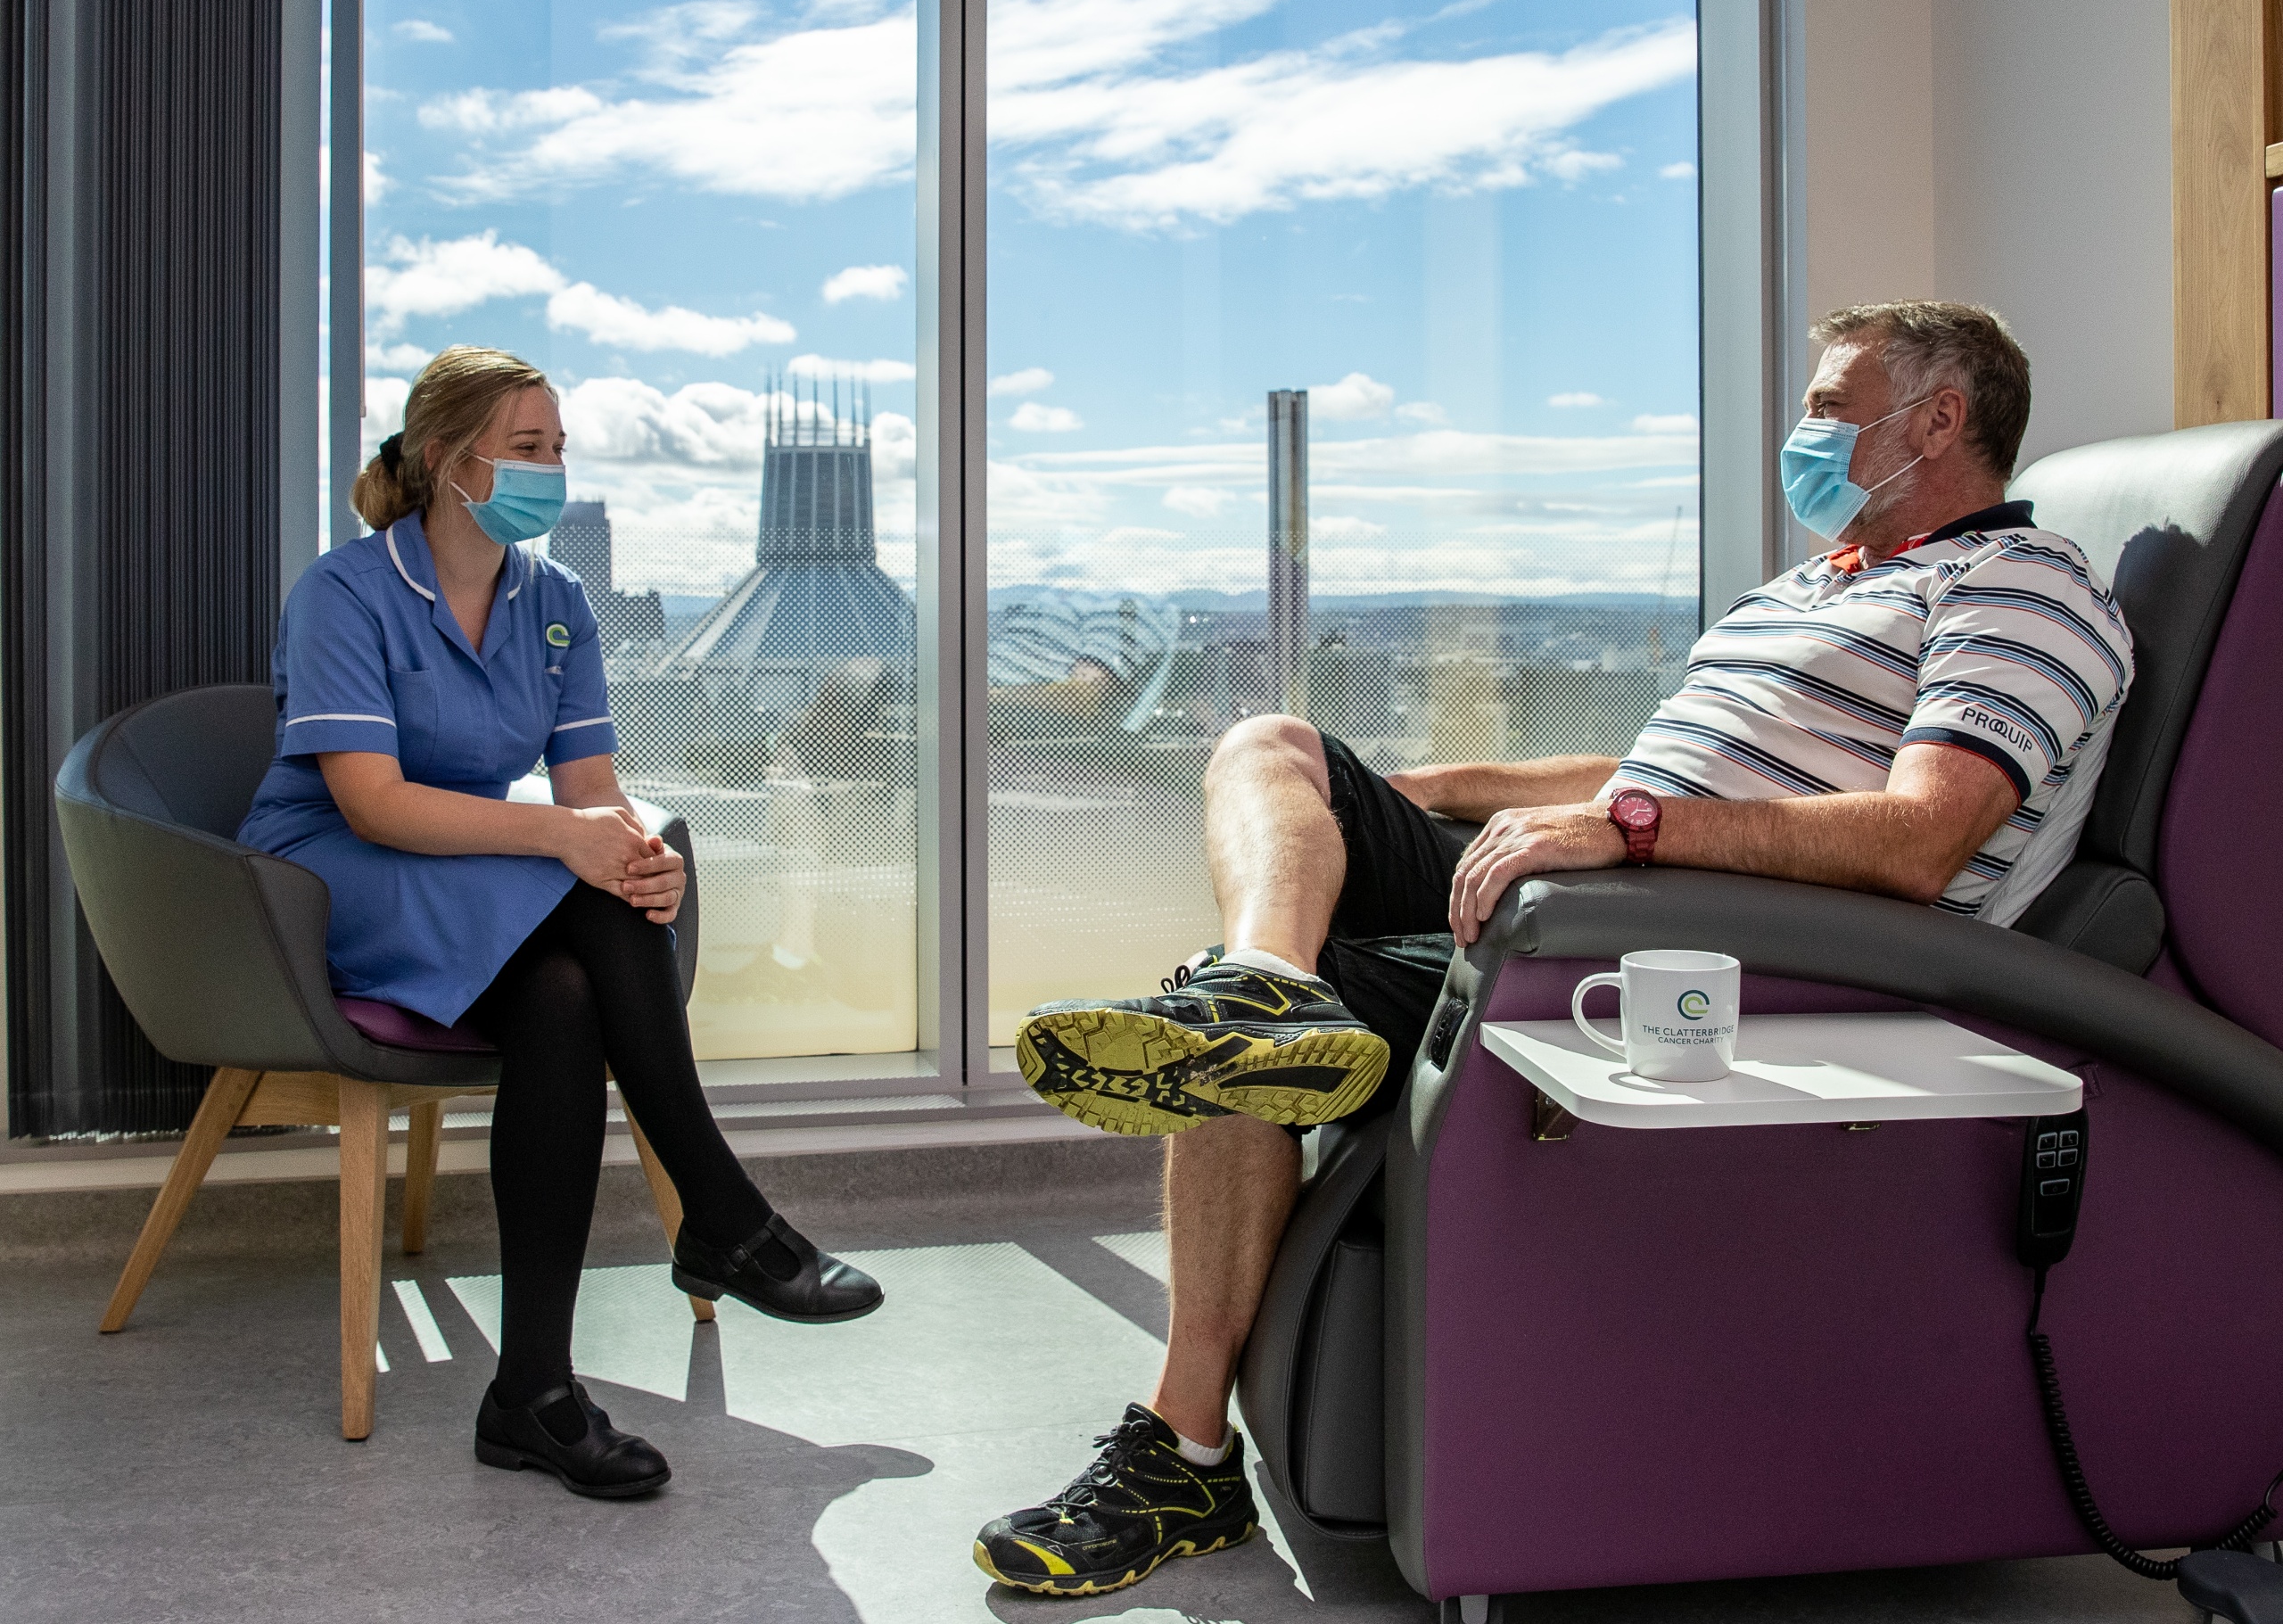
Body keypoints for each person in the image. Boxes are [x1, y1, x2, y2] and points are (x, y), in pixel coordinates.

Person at [972, 301, 2136, 1596]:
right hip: (1622, 881)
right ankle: (1273, 994)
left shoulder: (2023, 588)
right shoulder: (1819, 586)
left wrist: (1626, 830)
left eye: (1828, 406)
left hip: (1693, 945)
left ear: (1939, 420)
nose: (1803, 433)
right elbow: (1649, 766)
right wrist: (1401, 796)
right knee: (1273, 748)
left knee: (1216, 1003)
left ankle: (1182, 1452)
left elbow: (1925, 837)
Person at [237, 346, 882, 1499]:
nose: (551, 470)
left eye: (558, 448)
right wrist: (570, 840)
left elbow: (588, 788)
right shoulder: (345, 592)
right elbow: (368, 800)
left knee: (569, 989)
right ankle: (722, 1211)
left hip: (470, 879)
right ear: (448, 462)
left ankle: (530, 1391)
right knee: (578, 883)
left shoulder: (557, 603)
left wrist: (641, 857)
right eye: (527, 449)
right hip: (334, 877)